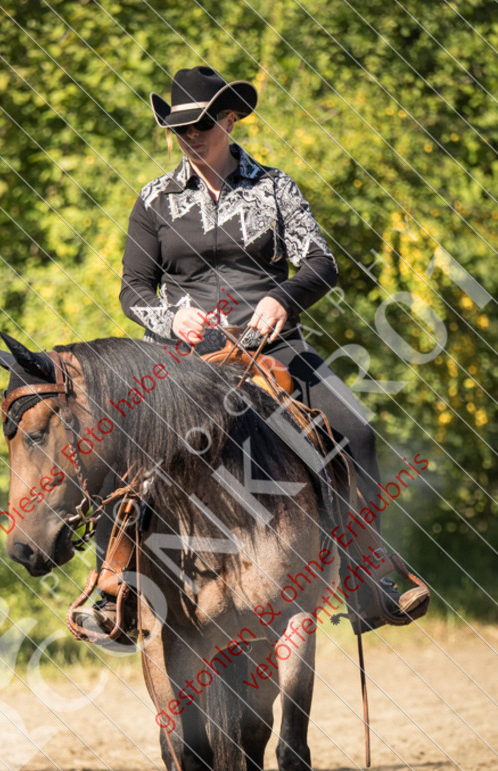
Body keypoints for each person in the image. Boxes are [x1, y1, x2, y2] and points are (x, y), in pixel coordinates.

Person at [73, 66, 428, 640]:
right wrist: (171, 317)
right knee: (117, 447)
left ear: (230, 119)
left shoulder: (275, 187)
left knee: (355, 430)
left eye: (203, 124)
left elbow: (321, 262)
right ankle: (112, 593)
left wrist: (284, 299)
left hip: (273, 348)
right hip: (179, 362)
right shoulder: (154, 200)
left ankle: (369, 579)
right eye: (180, 127)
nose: (191, 136)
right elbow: (132, 288)